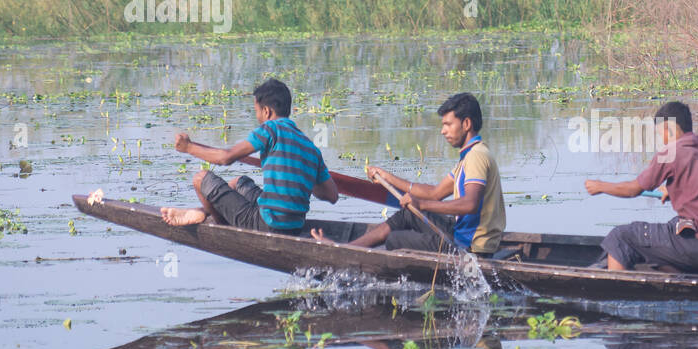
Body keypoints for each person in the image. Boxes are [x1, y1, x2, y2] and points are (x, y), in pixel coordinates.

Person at [312, 92, 505, 256]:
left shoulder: (476, 157)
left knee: (396, 239)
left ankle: (347, 251)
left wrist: (421, 204)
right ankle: (347, 249)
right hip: (461, 235)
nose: (442, 131)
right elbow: (435, 193)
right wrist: (387, 177)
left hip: (470, 248)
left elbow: (469, 204)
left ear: (466, 124)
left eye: (448, 124)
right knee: (407, 216)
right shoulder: (470, 156)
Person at [160, 78, 337, 232]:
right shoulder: (310, 147)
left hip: (266, 223)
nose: (258, 117)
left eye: (257, 112)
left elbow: (226, 157)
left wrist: (189, 148)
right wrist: (301, 174)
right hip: (295, 226)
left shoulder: (270, 129)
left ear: (266, 111)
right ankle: (201, 211)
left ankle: (217, 222)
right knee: (238, 182)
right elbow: (332, 195)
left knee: (200, 178)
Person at [584, 101, 698, 273]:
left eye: (661, 134)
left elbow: (633, 189)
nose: (662, 140)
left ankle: (616, 297)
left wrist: (600, 186)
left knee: (620, 237)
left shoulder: (671, 152)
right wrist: (675, 189)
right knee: (669, 234)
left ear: (669, 129)